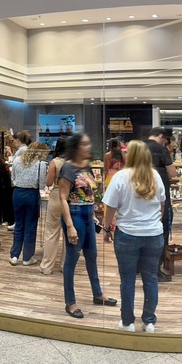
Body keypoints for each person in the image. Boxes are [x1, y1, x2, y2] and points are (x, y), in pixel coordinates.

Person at [101, 140, 166, 333]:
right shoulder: (155, 176)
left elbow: (110, 207)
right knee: (151, 278)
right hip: (153, 234)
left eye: (127, 151)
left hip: (127, 234)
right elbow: (162, 205)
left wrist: (106, 229)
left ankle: (128, 322)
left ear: (133, 155)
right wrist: (154, 222)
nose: (124, 154)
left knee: (127, 279)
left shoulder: (121, 177)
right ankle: (149, 321)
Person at [60, 132, 117, 319]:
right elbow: (63, 198)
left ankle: (97, 293)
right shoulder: (67, 168)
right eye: (84, 144)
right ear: (76, 147)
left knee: (92, 256)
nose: (88, 147)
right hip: (75, 215)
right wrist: (70, 226)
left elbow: (89, 194)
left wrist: (93, 215)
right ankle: (70, 302)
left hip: (87, 215)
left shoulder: (86, 166)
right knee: (72, 259)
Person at [146, 127, 177, 282]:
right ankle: (156, 269)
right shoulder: (161, 149)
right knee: (161, 228)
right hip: (159, 195)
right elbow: (173, 173)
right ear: (161, 136)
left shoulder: (139, 147)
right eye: (165, 139)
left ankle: (140, 266)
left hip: (141, 193)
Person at [9, 142, 48, 266]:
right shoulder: (41, 164)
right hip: (32, 194)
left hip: (17, 193)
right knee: (30, 226)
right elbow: (42, 184)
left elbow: (12, 178)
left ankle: (14, 255)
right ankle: (27, 257)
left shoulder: (17, 160)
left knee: (19, 224)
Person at [40, 137, 67, 275]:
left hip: (56, 196)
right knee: (68, 234)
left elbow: (48, 182)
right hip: (69, 198)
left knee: (51, 232)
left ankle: (47, 266)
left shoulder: (54, 162)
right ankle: (65, 265)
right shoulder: (73, 162)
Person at [7, 130, 32, 232]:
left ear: (17, 140)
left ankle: (18, 225)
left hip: (20, 183)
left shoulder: (22, 150)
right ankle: (18, 224)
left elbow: (15, 163)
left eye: (13, 141)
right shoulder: (23, 150)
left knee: (19, 208)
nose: (13, 143)